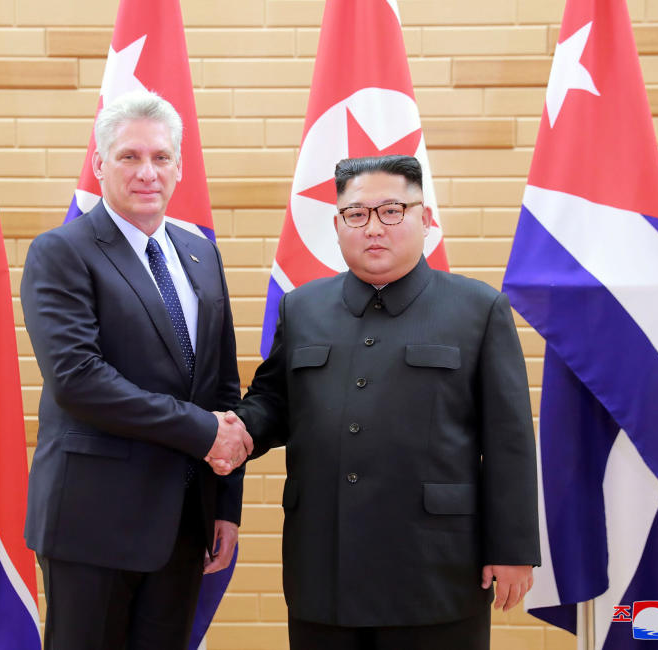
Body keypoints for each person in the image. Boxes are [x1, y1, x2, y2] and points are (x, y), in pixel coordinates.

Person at [230, 155, 540, 649]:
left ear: (425, 217)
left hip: (436, 569)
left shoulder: (478, 309)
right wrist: (237, 431)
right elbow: (275, 402)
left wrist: (514, 547)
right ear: (337, 224)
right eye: (356, 214)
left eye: (392, 210)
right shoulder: (302, 307)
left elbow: (510, 441)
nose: (373, 227)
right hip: (324, 567)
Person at [21, 89, 251, 650]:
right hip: (91, 524)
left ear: (179, 167)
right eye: (129, 156)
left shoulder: (200, 253)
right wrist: (203, 434)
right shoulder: (62, 252)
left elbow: (220, 384)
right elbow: (79, 379)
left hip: (181, 522)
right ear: (99, 164)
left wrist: (224, 505)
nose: (147, 171)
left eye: (161, 157)